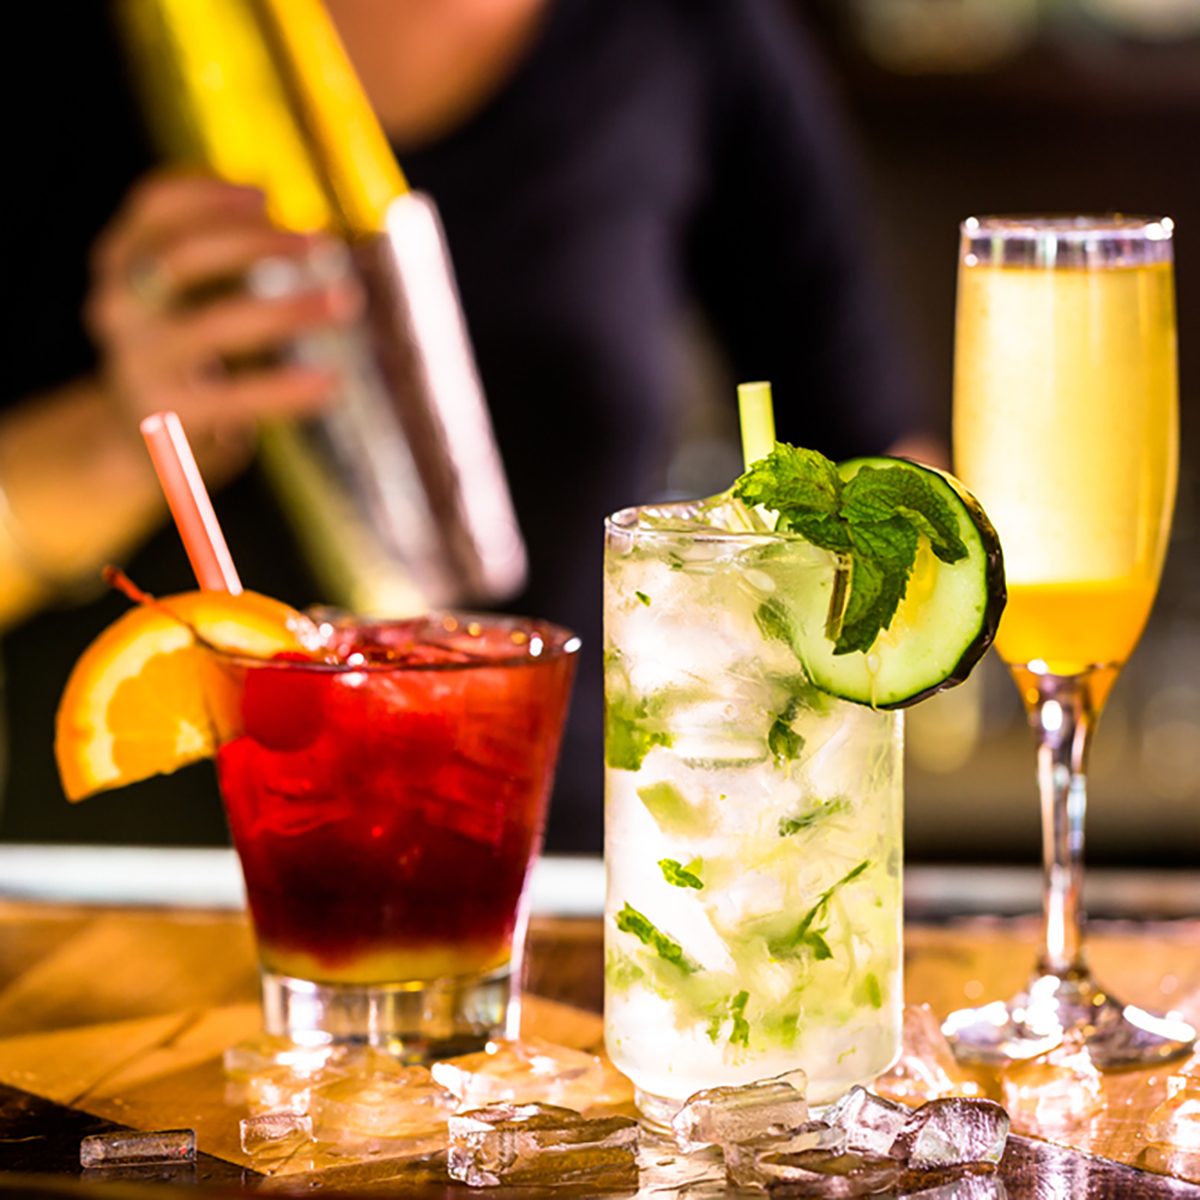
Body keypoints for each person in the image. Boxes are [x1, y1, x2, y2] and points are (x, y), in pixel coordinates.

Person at [0, 0, 936, 852]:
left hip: (562, 881)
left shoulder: (686, 30)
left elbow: (886, 485)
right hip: (138, 891)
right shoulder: (81, 40)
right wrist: (116, 438)